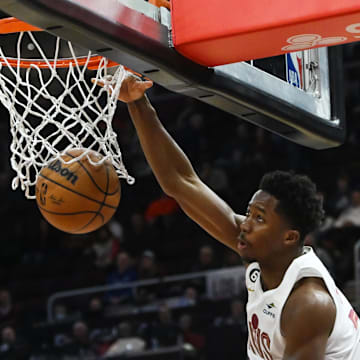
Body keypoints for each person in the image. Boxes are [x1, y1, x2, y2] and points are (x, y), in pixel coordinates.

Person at [93, 71, 360, 359]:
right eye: (249, 213)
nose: (246, 223)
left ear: (289, 237)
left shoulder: (308, 303)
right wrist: (138, 103)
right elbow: (181, 183)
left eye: (259, 218)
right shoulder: (264, 252)